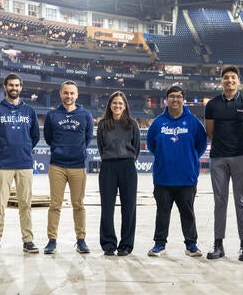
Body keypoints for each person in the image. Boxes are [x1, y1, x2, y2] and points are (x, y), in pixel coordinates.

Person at [204, 65, 243, 260]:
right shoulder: (212, 104)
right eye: (226, 77)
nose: (229, 81)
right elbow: (210, 132)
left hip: (241, 156)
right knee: (220, 200)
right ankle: (218, 244)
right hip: (218, 157)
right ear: (221, 81)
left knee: (241, 200)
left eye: (233, 78)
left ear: (238, 81)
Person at [146, 86, 207, 257]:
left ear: (183, 99)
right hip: (163, 178)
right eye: (172, 96)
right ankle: (159, 244)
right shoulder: (158, 123)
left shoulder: (194, 122)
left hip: (186, 178)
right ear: (167, 99)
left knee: (188, 213)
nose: (175, 99)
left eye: (179, 96)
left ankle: (191, 245)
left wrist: (187, 160)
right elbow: (152, 145)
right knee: (162, 213)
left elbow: (200, 146)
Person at [0, 73, 40, 256]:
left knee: (25, 204)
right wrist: (2, 150)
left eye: (17, 85)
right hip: (3, 164)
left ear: (21, 88)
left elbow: (35, 136)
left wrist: (24, 148)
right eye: (11, 85)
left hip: (24, 163)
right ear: (5, 87)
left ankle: (28, 240)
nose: (14, 88)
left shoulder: (29, 111)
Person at [43, 80, 94, 255]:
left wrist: (77, 151)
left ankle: (81, 240)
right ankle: (52, 240)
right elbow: (49, 138)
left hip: (78, 165)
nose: (69, 96)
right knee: (55, 204)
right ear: (61, 94)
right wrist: (60, 149)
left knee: (78, 204)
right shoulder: (52, 116)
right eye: (66, 93)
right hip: (57, 165)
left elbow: (87, 138)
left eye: (72, 93)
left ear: (77, 95)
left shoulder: (85, 115)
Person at [97, 91, 141, 256]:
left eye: (120, 103)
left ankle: (126, 245)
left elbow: (135, 148)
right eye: (114, 103)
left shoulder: (132, 124)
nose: (117, 106)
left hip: (127, 166)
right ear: (110, 105)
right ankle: (108, 244)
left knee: (129, 207)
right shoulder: (103, 124)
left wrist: (126, 160)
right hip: (108, 166)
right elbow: (101, 147)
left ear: (125, 106)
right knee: (107, 207)